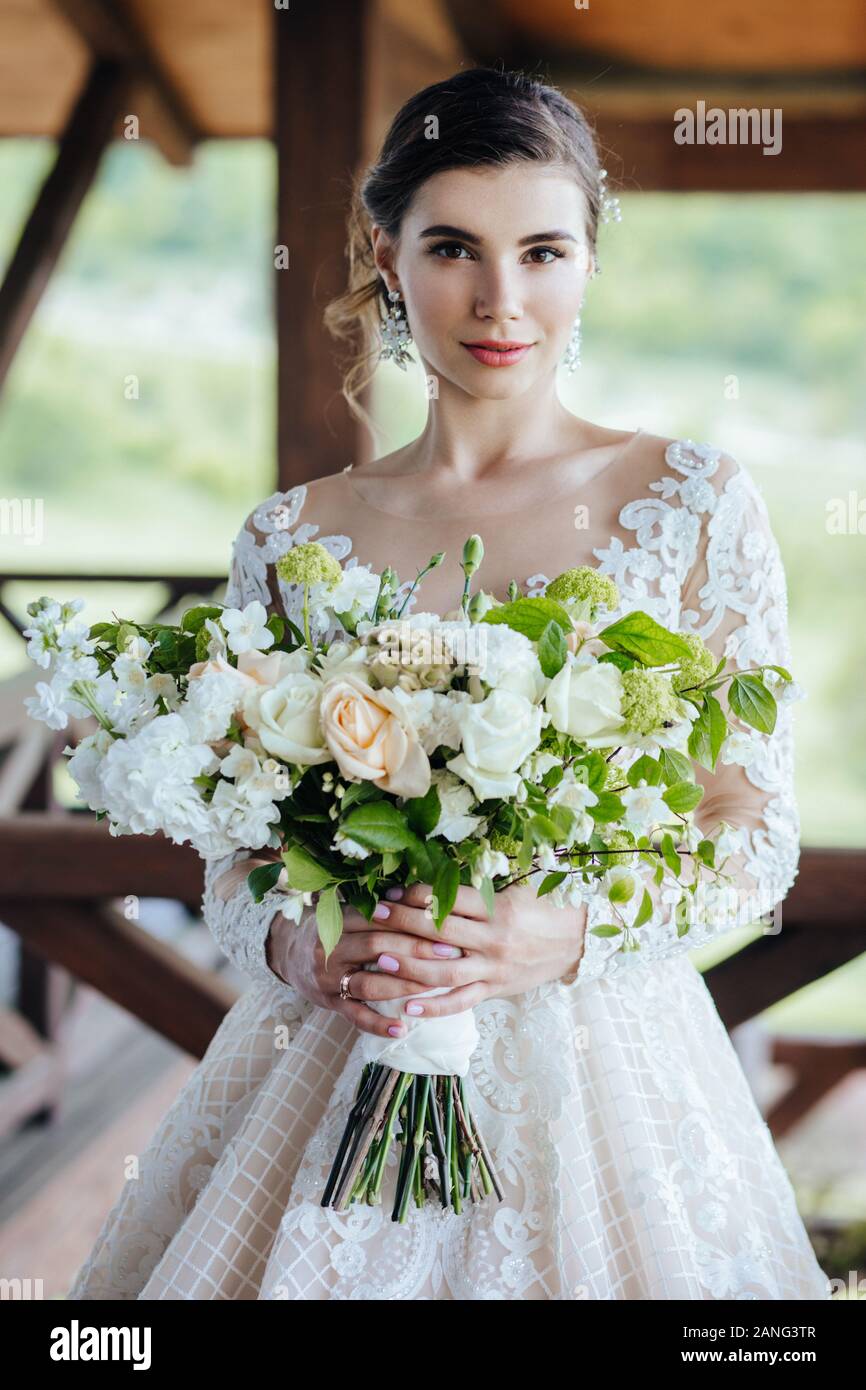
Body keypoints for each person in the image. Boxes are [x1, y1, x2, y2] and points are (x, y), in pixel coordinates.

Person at [68, 66, 831, 1301]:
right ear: (385, 255)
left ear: (589, 259)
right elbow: (232, 852)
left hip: (610, 1079)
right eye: (452, 248)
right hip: (334, 1058)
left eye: (542, 251)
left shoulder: (691, 501)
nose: (500, 300)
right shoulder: (292, 534)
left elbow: (753, 830)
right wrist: (292, 944)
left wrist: (568, 934)